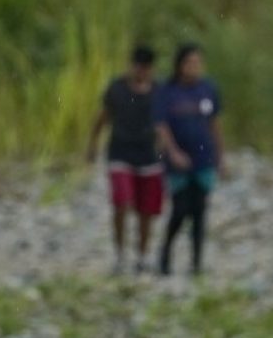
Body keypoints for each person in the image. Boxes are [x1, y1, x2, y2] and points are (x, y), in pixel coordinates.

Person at [87, 46, 164, 274]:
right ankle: (120, 255)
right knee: (122, 202)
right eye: (138, 66)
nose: (141, 72)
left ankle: (142, 255)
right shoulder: (117, 89)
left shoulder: (159, 91)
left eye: (145, 68)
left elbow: (164, 123)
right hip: (120, 152)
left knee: (146, 211)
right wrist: (92, 144)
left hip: (148, 154)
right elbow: (102, 117)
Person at [153, 43, 226, 277]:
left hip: (203, 158)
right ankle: (166, 252)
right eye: (190, 63)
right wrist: (173, 152)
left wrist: (220, 156)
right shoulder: (168, 91)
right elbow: (161, 126)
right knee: (180, 209)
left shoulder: (208, 89)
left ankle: (196, 263)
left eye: (198, 63)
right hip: (177, 161)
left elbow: (214, 125)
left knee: (200, 211)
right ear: (180, 65)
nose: (194, 67)